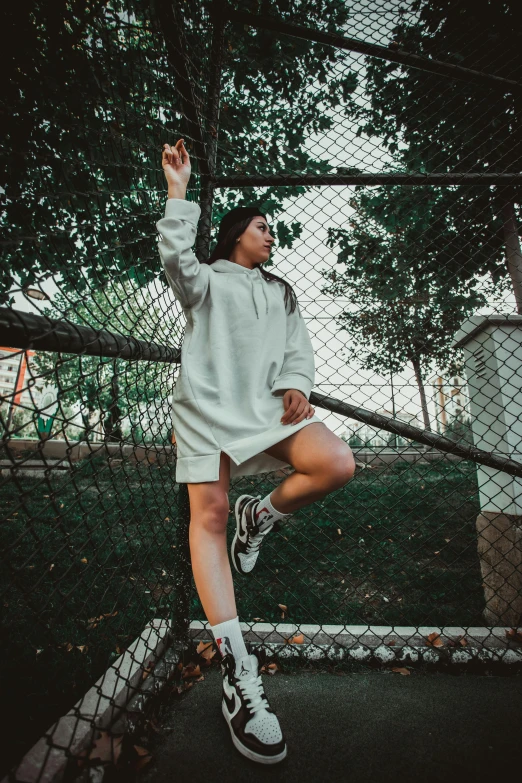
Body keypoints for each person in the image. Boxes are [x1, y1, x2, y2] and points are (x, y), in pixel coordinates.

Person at [158, 138, 355, 765]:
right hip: (208, 410)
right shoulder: (206, 279)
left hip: (266, 412)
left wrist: (298, 382)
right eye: (263, 228)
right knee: (208, 518)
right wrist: (178, 193)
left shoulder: (283, 289)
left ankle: (261, 514)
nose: (271, 236)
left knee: (336, 463)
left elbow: (298, 347)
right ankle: (239, 675)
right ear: (238, 233)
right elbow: (174, 260)